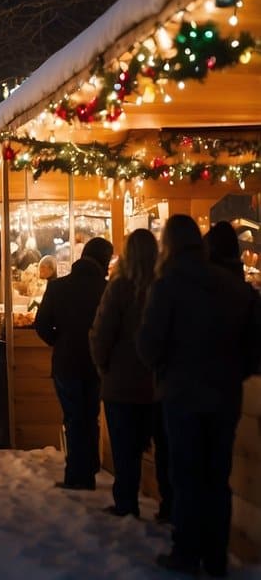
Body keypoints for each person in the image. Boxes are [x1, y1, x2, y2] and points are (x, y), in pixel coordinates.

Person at [139, 216, 261, 576]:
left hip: (181, 394)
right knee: (216, 475)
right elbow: (255, 347)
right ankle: (215, 554)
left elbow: (148, 345)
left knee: (187, 474)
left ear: (169, 245)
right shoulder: (235, 287)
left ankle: (187, 550)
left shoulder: (168, 285)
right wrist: (235, 372)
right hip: (225, 397)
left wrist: (165, 368)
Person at [89, 229, 167, 518]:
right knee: (162, 448)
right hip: (157, 384)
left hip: (121, 383)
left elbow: (102, 334)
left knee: (125, 449)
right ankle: (168, 504)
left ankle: (126, 503)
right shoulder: (164, 286)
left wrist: (103, 366)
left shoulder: (119, 288)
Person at [35, 236, 113, 490]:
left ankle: (78, 475)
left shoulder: (58, 287)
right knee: (89, 416)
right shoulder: (107, 290)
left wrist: (60, 340)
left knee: (74, 418)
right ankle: (87, 469)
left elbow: (42, 324)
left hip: (66, 361)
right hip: (96, 363)